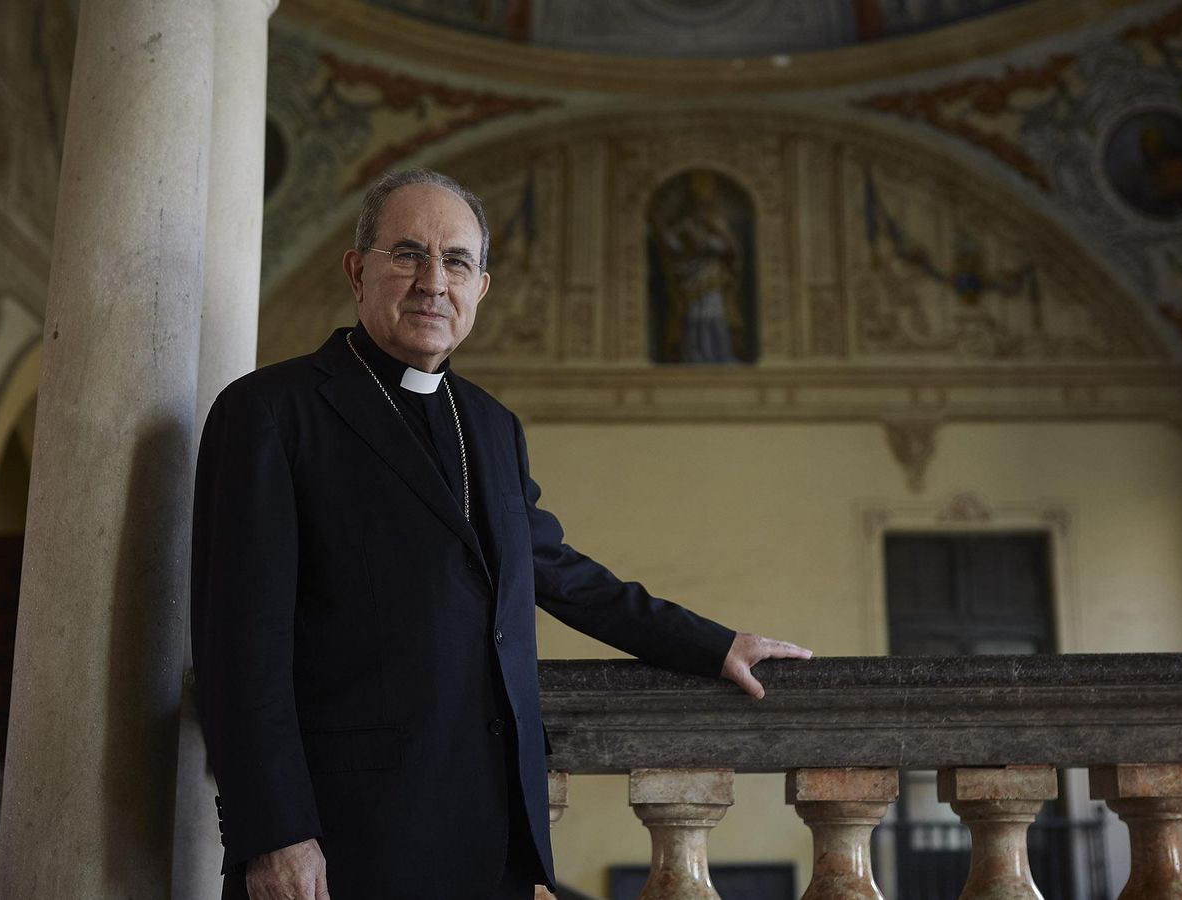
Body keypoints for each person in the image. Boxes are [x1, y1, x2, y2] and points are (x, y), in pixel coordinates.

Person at [191, 168, 811, 900]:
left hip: (489, 833)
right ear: (358, 272)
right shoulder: (270, 412)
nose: (433, 281)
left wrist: (712, 645)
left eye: (457, 261)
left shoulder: (488, 425)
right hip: (343, 835)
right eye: (407, 254)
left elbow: (556, 570)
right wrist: (275, 834)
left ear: (480, 288)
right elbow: (239, 650)